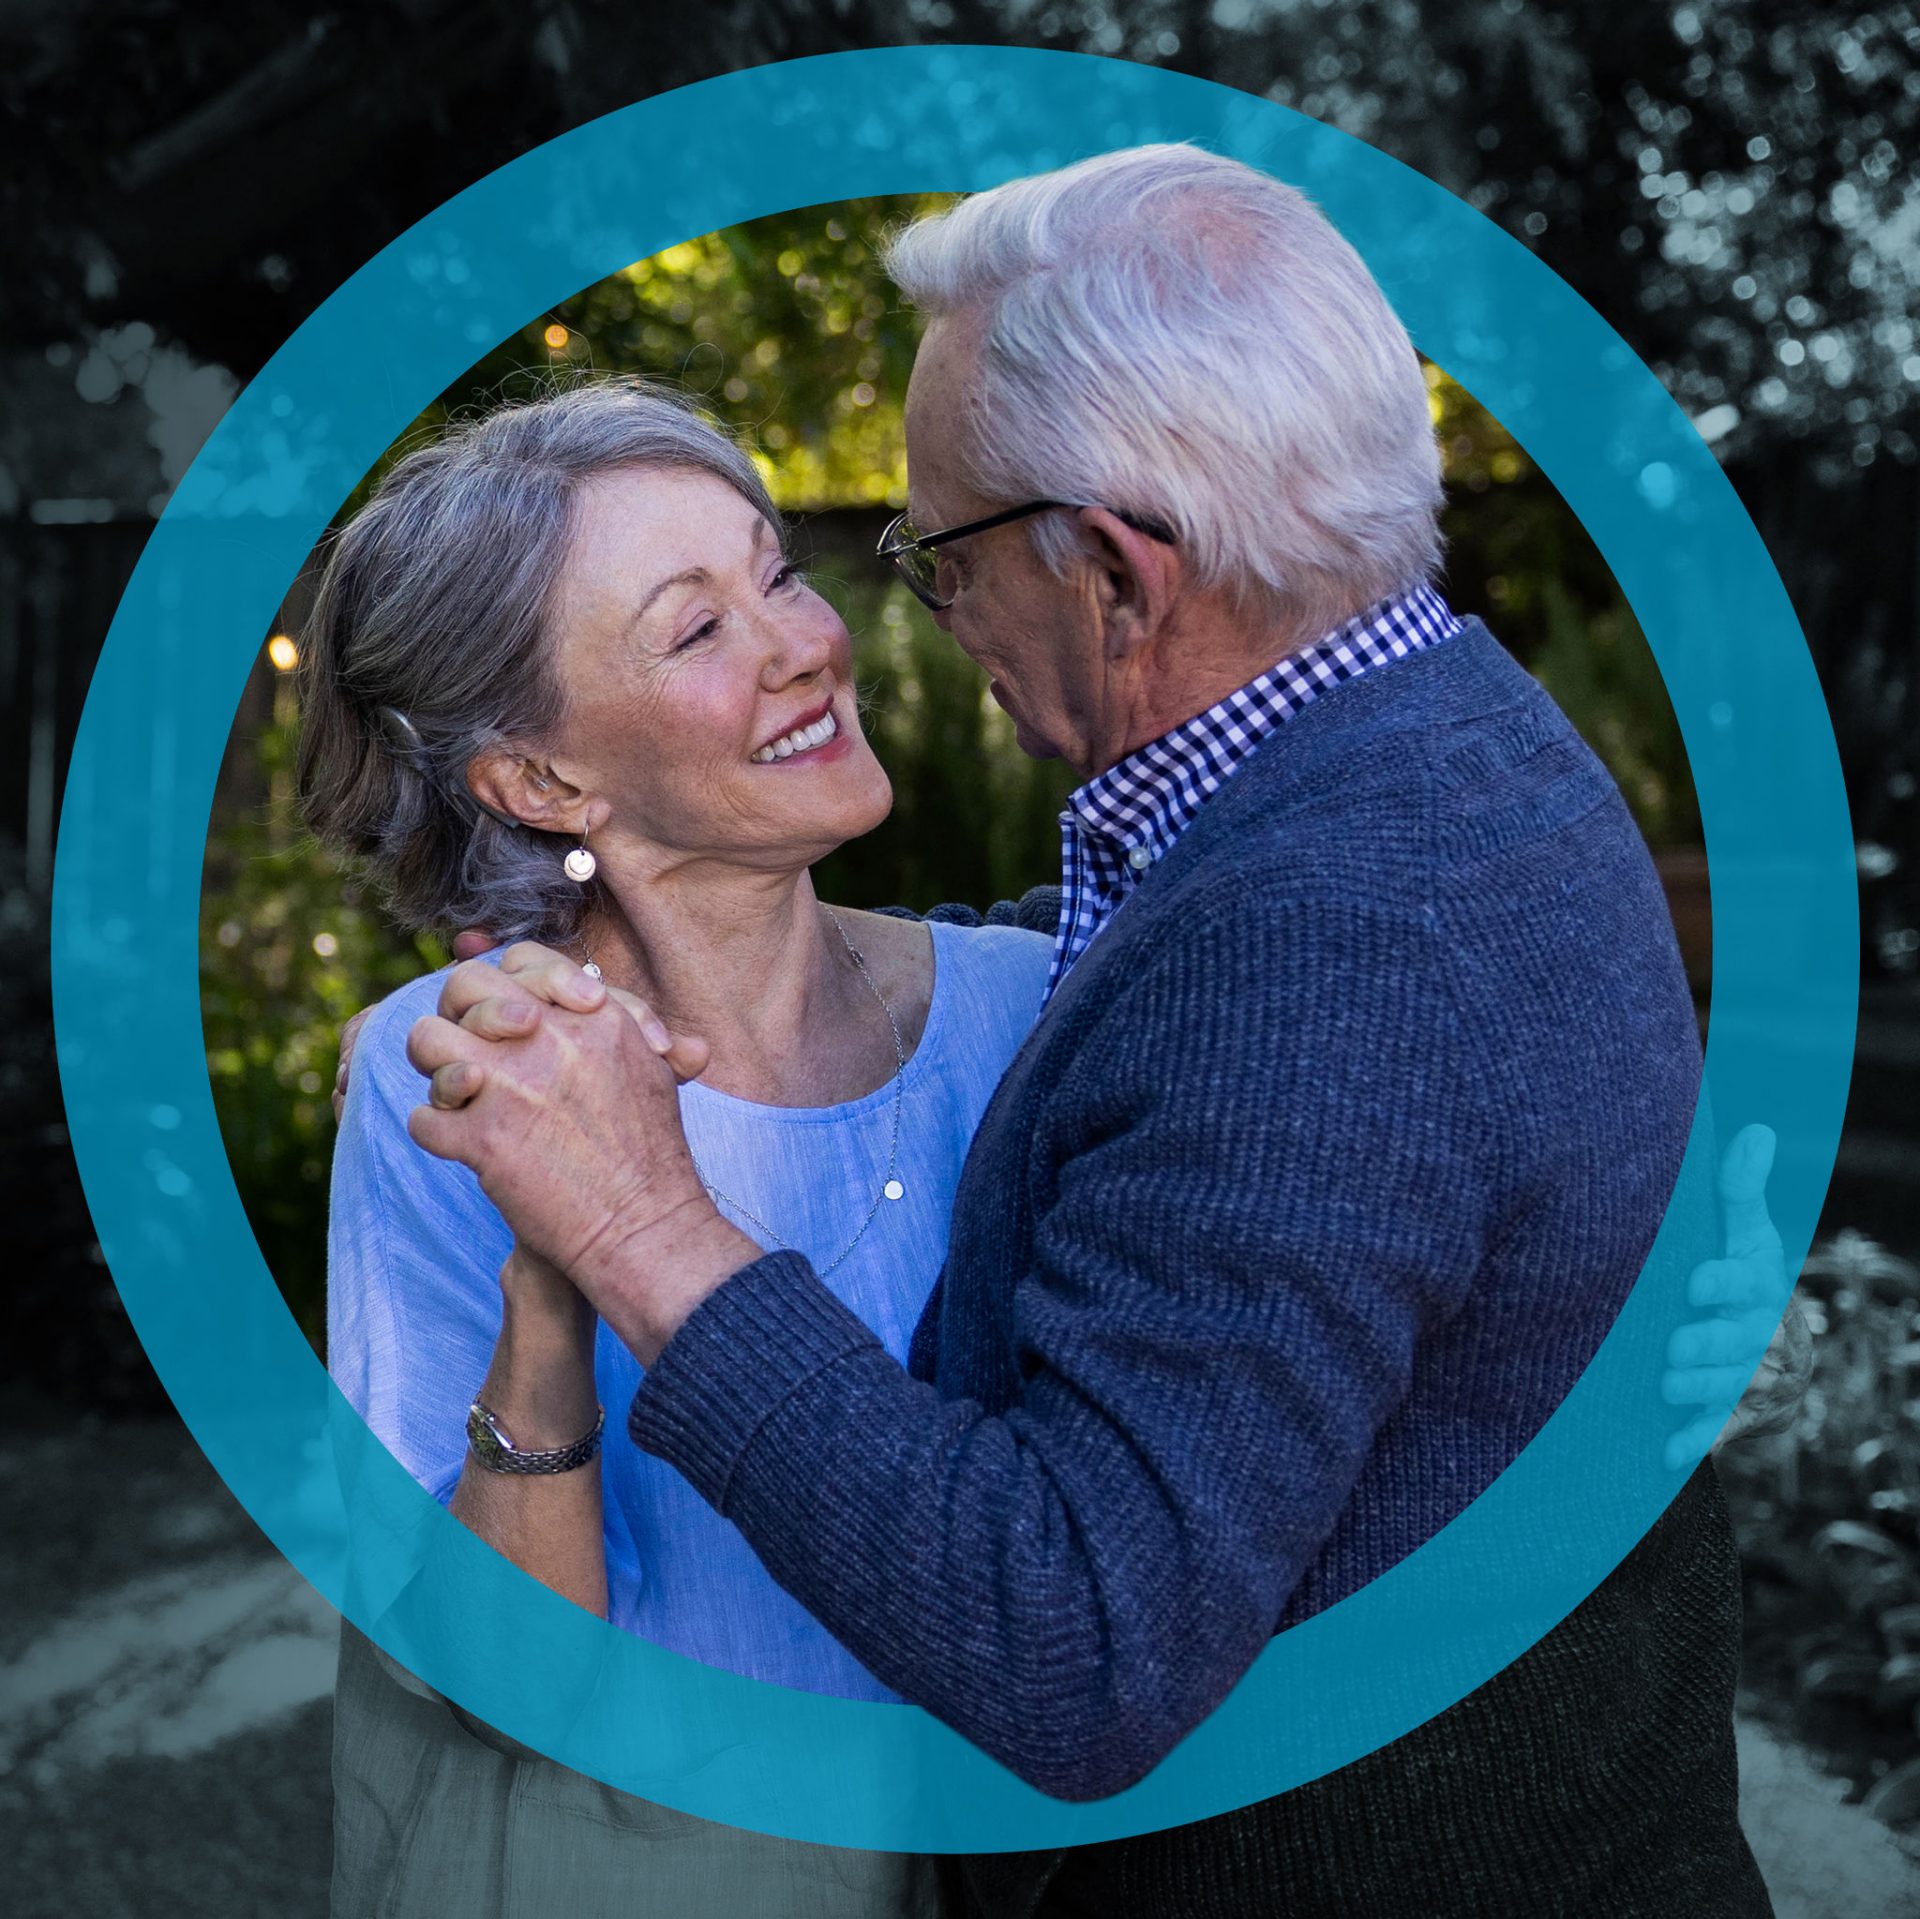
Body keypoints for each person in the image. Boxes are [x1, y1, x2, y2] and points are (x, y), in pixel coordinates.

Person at [404, 147, 1791, 1915]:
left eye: (937, 554)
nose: (873, 619)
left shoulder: (1323, 946)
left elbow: (1077, 1645)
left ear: (1119, 573)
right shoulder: (1435, 733)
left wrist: (634, 1227)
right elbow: (1184, 998)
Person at [302, 377, 1055, 1916]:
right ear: (542, 780)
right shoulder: (447, 1074)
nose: (805, 645)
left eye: (776, 574)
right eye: (696, 628)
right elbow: (499, 1678)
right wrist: (552, 1279)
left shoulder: (1034, 1010)